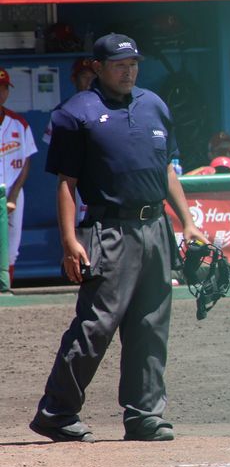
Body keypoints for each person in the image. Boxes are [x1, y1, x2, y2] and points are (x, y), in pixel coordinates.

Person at [30, 33, 207, 443]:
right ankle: (56, 411)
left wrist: (188, 222)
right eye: (119, 65)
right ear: (97, 67)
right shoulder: (77, 114)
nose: (128, 71)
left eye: (133, 64)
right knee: (96, 324)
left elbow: (167, 173)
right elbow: (66, 184)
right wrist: (70, 240)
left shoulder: (154, 106)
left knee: (151, 324)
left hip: (155, 229)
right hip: (108, 229)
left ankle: (144, 415)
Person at [43, 57, 97, 225]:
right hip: (75, 179)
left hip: (101, 178)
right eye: (84, 76)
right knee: (77, 229)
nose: (89, 81)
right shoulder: (63, 112)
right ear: (74, 79)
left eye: (93, 77)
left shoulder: (108, 106)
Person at [0, 67, 37, 284]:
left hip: (13, 191)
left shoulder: (19, 123)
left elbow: (25, 162)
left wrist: (13, 195)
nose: (1, 93)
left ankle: (5, 292)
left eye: (4, 88)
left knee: (12, 249)